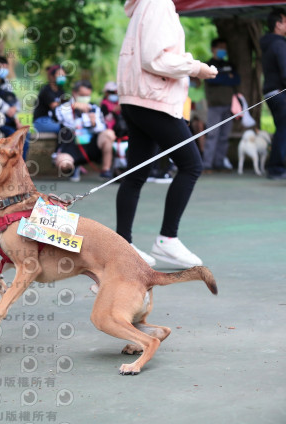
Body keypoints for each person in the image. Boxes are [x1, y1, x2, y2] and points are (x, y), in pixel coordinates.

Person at [115, 0, 217, 268]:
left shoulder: (145, 5)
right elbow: (155, 59)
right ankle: (167, 239)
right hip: (153, 98)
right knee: (191, 165)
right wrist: (196, 67)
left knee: (135, 174)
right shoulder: (159, 4)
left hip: (136, 97)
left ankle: (122, 245)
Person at [53, 80, 115, 182]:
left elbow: (102, 128)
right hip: (71, 146)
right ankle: (74, 168)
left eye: (87, 95)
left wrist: (94, 123)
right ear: (74, 93)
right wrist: (73, 106)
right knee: (64, 163)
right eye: (82, 95)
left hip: (91, 147)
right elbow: (55, 115)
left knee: (109, 134)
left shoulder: (94, 108)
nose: (85, 98)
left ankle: (106, 170)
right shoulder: (65, 107)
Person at [0, 56, 30, 159]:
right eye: (1, 67)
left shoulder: (6, 84)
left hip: (8, 119)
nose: (4, 70)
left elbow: (15, 102)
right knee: (12, 136)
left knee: (25, 136)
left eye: (5, 67)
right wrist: (9, 110)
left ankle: (20, 165)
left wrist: (16, 118)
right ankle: (10, 167)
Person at [202, 38, 240, 172]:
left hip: (229, 106)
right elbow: (212, 80)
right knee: (212, 135)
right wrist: (226, 77)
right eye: (220, 47)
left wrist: (221, 78)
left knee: (224, 136)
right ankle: (207, 164)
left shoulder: (229, 64)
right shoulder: (208, 65)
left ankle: (219, 162)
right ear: (213, 49)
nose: (223, 50)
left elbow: (236, 80)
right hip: (214, 106)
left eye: (224, 47)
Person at [260, 9, 286, 180]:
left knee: (282, 129)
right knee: (284, 130)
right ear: (278, 24)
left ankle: (275, 166)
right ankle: (276, 168)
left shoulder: (269, 43)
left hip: (272, 92)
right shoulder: (279, 44)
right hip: (279, 92)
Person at [100, 81, 129, 173]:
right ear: (106, 93)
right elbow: (105, 120)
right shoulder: (104, 105)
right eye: (112, 92)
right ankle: (108, 169)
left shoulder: (121, 104)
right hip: (111, 133)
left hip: (125, 134)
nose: (114, 95)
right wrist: (113, 111)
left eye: (116, 93)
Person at [33, 65, 66, 134]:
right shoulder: (46, 90)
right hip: (41, 121)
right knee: (63, 128)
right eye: (60, 74)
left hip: (54, 120)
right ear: (52, 76)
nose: (62, 76)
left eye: (64, 75)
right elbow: (54, 105)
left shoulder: (61, 91)